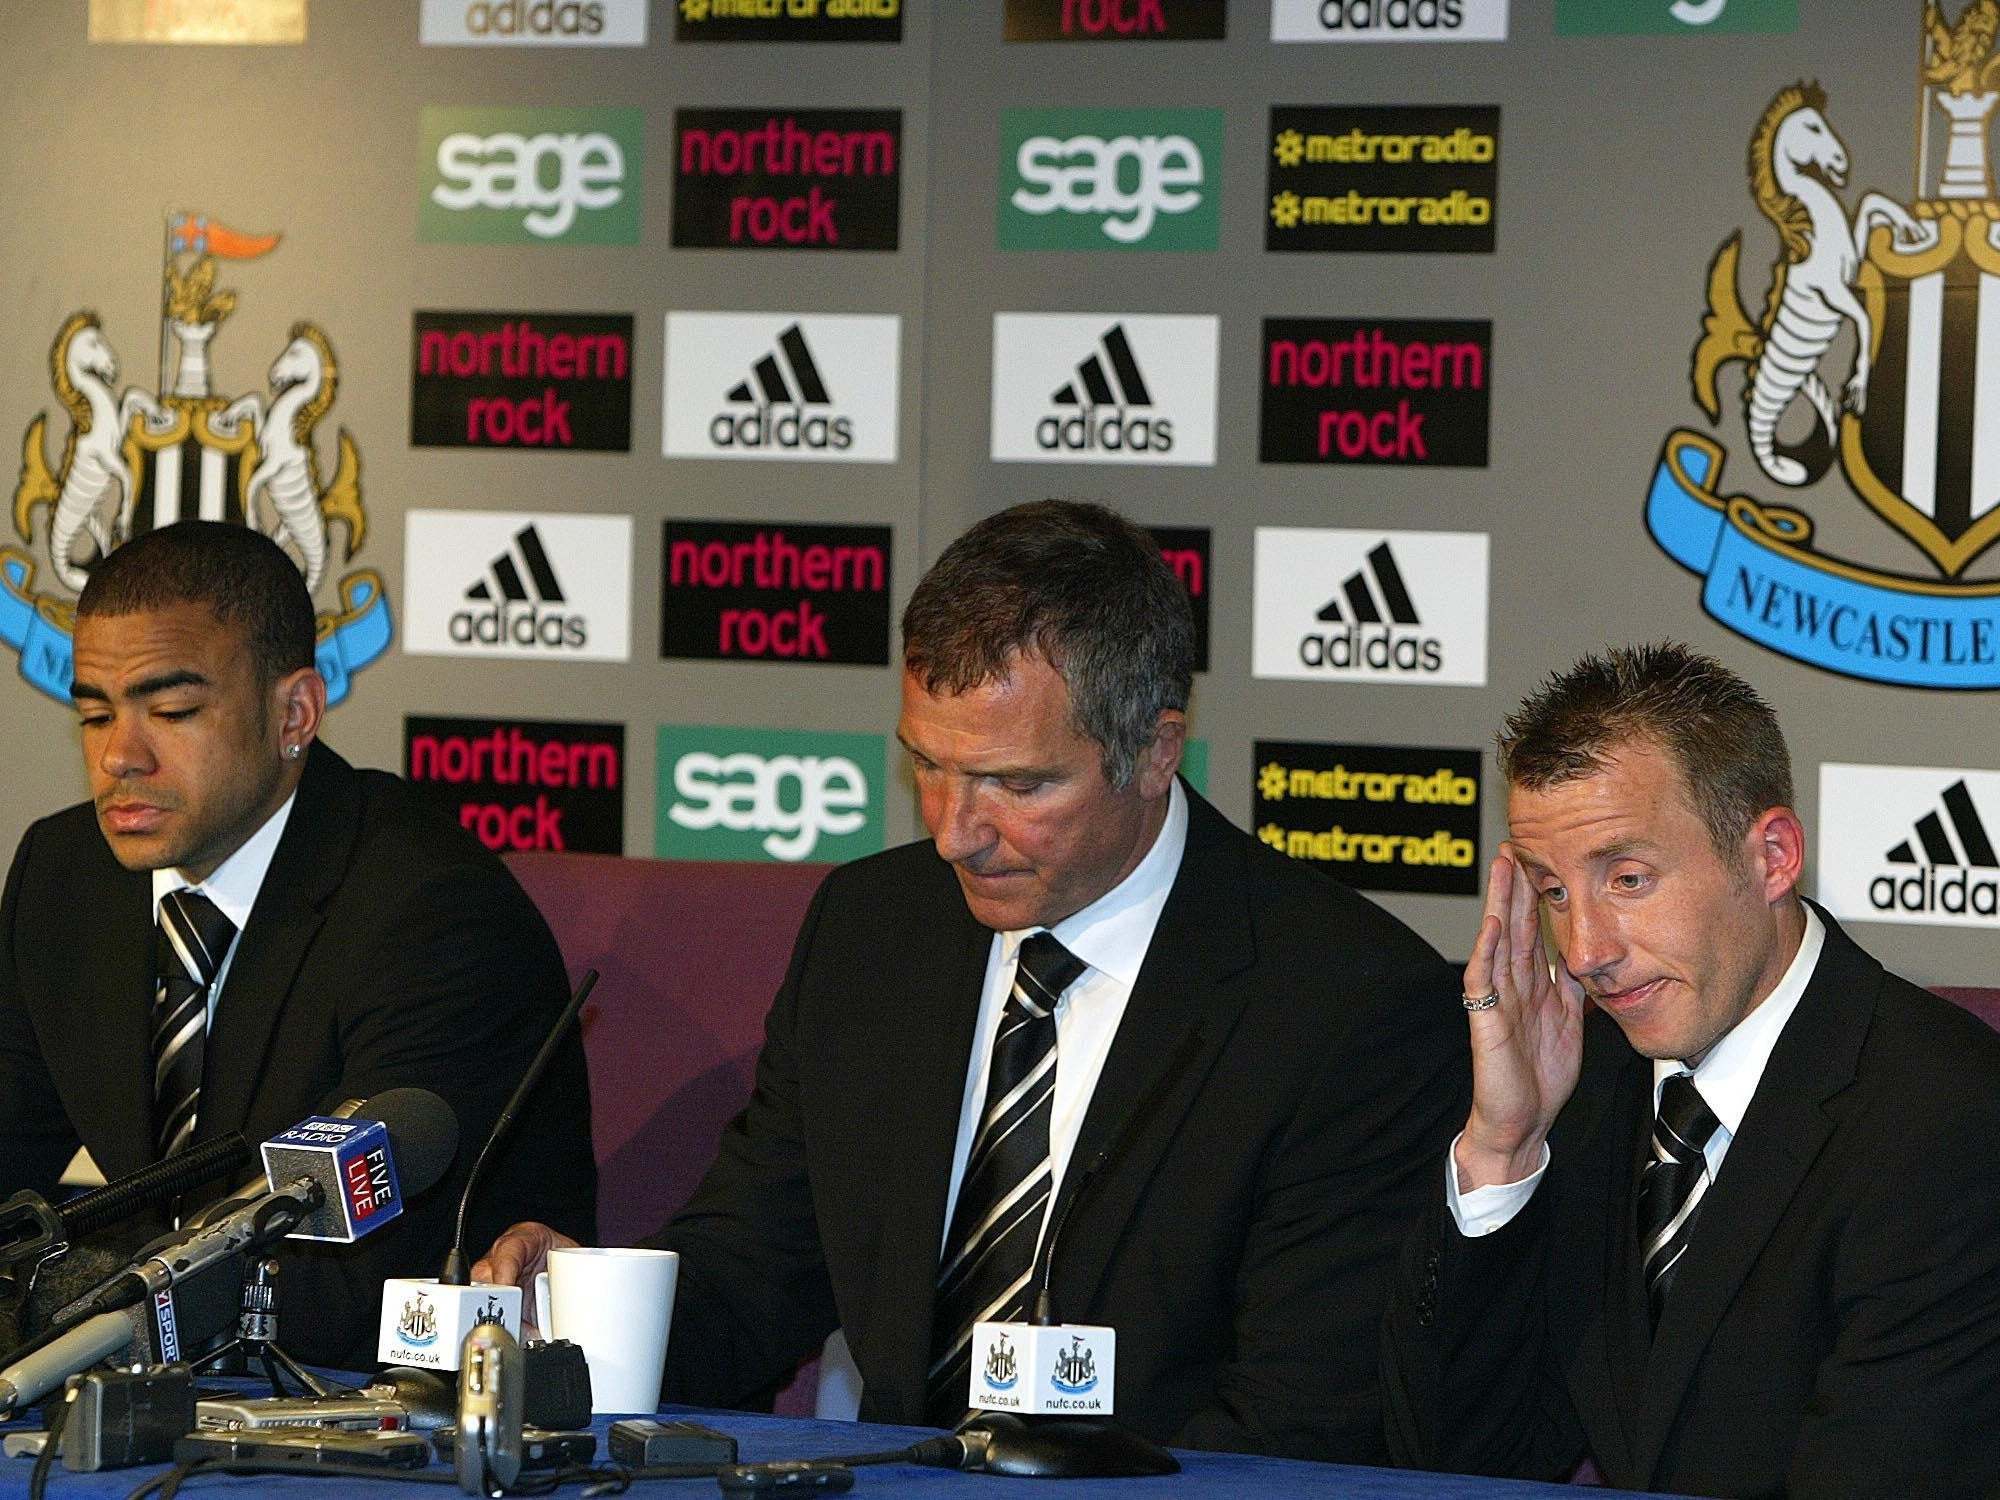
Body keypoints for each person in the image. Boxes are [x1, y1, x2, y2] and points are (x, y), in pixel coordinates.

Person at [477, 500, 1466, 1460]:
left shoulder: (1344, 1007)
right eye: (930, 768)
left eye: (1018, 784)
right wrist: (578, 1314)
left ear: (1155, 750)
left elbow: (1302, 1425)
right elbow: (759, 1269)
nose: (954, 830)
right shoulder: (871, 931)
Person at [1381, 643, 2000, 1498]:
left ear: (1773, 857)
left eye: (1628, 879)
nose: (1588, 952)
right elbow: (1462, 1464)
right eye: (1554, 892)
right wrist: (1503, 1148)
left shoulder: (1950, 1124)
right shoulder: (1581, 1083)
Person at [0, 520, 596, 1367]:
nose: (119, 757)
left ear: (295, 713)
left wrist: (67, 1299)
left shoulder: (434, 914)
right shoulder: (65, 876)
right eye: (94, 714)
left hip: (389, 1413)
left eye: (172, 711)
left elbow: (359, 1283)